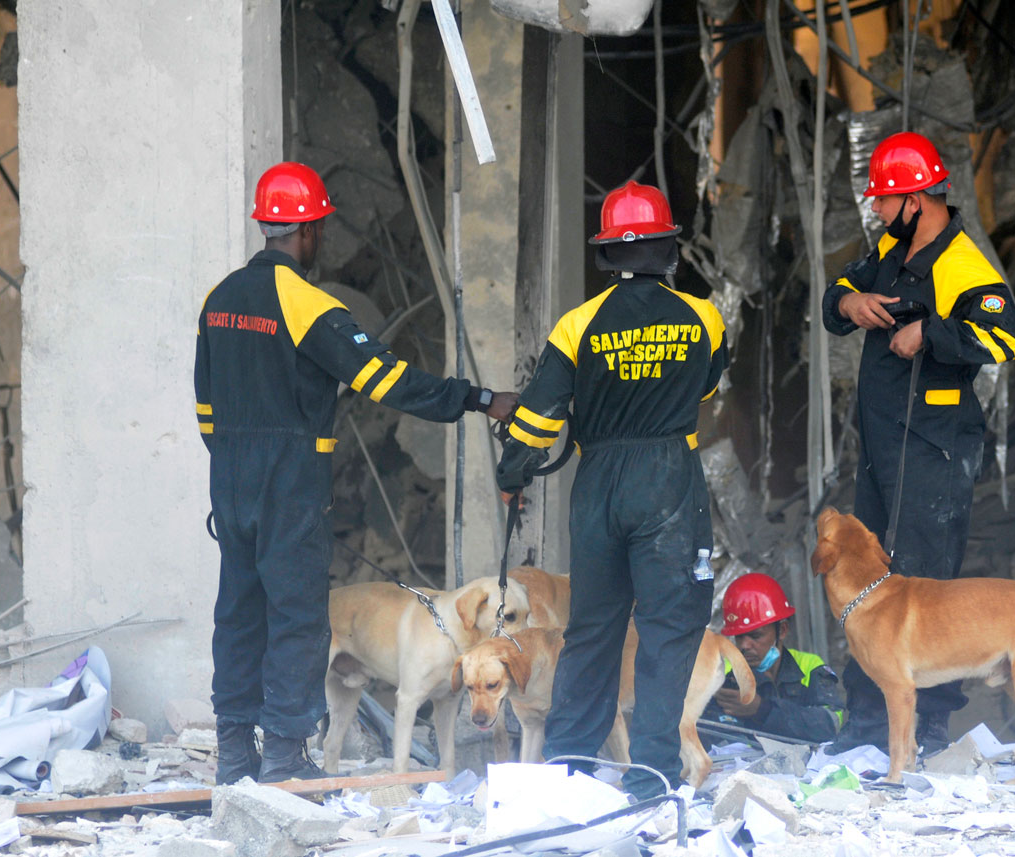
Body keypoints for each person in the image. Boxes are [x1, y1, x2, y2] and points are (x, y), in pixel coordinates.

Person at [195, 162, 517, 784]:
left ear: (267, 224)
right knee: (296, 616)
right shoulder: (308, 304)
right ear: (309, 230)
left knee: (237, 612)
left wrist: (233, 466)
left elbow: (205, 404)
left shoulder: (220, 297)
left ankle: (235, 754)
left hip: (229, 475)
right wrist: (478, 399)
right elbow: (388, 380)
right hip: (289, 476)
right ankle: (286, 756)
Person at [495, 181, 729, 800]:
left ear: (606, 256)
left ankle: (570, 766)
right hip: (669, 479)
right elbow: (704, 390)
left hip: (597, 482)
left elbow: (540, 413)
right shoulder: (704, 316)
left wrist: (513, 470)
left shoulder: (578, 324)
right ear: (667, 248)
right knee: (668, 628)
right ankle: (653, 774)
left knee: (594, 626)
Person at [821, 132, 1015, 754]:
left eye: (885, 199)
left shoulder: (964, 265)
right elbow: (835, 296)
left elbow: (1005, 340)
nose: (876, 210)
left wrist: (930, 335)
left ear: (917, 198)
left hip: (936, 448)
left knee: (927, 588)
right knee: (866, 581)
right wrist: (850, 302)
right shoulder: (890, 246)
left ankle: (928, 728)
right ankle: (865, 725)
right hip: (884, 443)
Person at [705, 574, 843, 744]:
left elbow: (830, 724)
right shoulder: (721, 675)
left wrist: (762, 710)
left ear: (782, 630)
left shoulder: (809, 666)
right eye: (739, 637)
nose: (745, 646)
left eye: (756, 635)